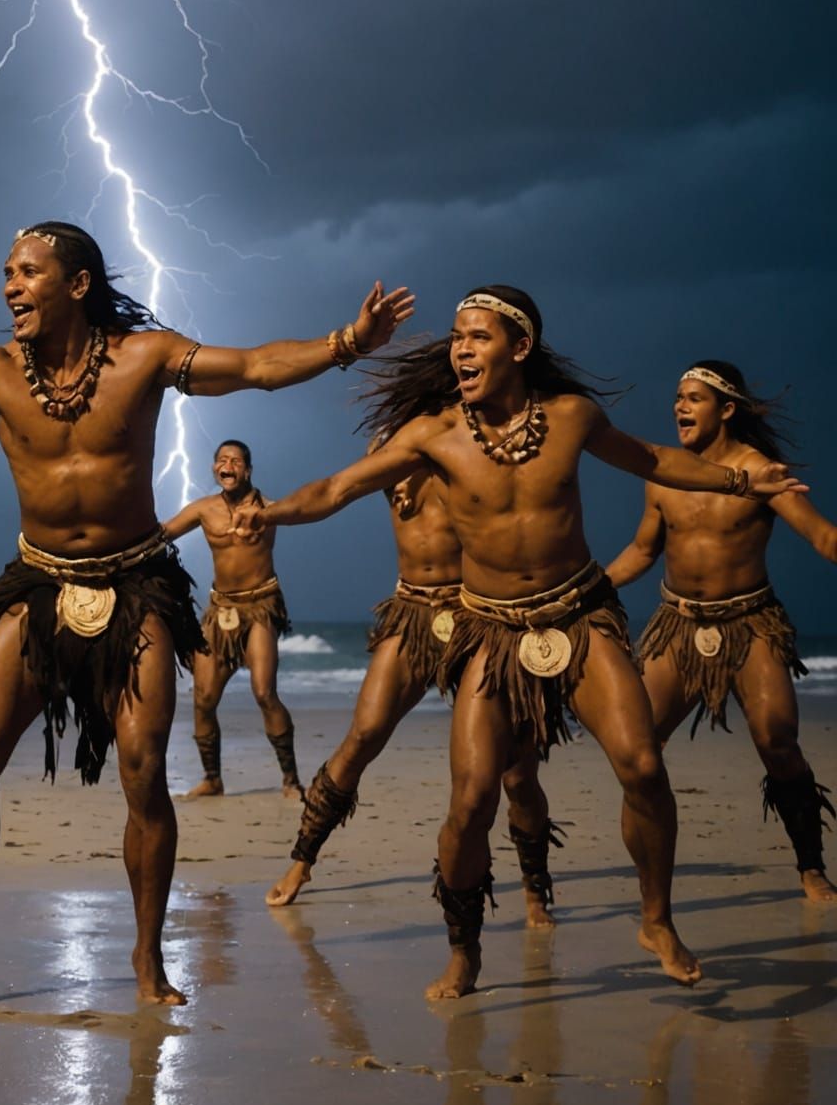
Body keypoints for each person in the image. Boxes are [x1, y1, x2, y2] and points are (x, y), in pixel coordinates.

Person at [0, 221, 414, 1007]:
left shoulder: (145, 358)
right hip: (39, 582)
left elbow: (256, 367)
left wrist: (348, 342)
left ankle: (147, 955)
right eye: (6, 273)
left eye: (27, 272)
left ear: (78, 284)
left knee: (142, 767)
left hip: (137, 584)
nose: (10, 287)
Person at [235, 287, 803, 999]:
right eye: (456, 338)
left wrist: (740, 479)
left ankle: (656, 920)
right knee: (472, 802)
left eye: (477, 337)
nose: (461, 349)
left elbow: (654, 459)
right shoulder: (435, 434)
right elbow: (336, 489)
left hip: (580, 616)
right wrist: (274, 512)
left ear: (520, 348)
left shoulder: (571, 418)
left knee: (642, 765)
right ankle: (463, 952)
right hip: (493, 631)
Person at [266, 419, 560, 928]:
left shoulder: (457, 463)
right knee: (362, 736)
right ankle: (301, 861)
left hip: (477, 616)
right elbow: (332, 490)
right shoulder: (386, 467)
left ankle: (535, 889)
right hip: (411, 613)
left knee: (517, 772)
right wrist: (271, 512)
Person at [607, 361, 837, 901]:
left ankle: (811, 866)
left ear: (727, 409)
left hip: (750, 623)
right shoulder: (664, 475)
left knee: (777, 740)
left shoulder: (760, 472)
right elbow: (642, 550)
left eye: (694, 398)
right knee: (638, 748)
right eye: (678, 397)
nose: (679, 407)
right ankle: (650, 887)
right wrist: (589, 586)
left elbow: (823, 537)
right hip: (677, 625)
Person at [162, 439, 301, 798]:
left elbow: (301, 509)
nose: (228, 465)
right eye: (222, 460)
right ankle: (213, 779)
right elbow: (164, 533)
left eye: (236, 461)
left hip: (260, 606)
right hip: (220, 610)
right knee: (203, 697)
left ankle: (290, 780)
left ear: (247, 470)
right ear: (214, 468)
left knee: (264, 692)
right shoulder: (204, 509)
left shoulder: (268, 508)